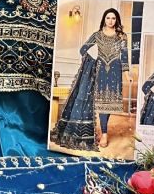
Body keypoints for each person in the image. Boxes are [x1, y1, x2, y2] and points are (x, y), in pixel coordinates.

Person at [51, 9, 130, 150]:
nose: (110, 21)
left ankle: (104, 131)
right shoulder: (97, 35)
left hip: (115, 72)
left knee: (109, 103)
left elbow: (124, 55)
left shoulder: (122, 36)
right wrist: (93, 61)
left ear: (117, 20)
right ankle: (104, 134)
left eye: (113, 18)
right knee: (100, 102)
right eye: (108, 18)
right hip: (99, 71)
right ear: (104, 19)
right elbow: (83, 49)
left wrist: (126, 74)